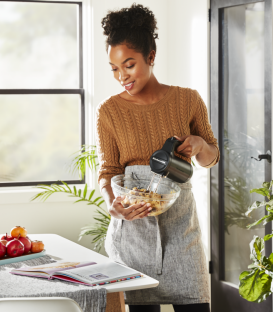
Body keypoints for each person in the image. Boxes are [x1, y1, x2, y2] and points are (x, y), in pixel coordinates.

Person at [96, 4, 219, 312]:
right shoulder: (108, 112)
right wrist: (113, 204)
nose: (122, 76)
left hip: (181, 232)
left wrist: (199, 145)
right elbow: (109, 170)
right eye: (114, 69)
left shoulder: (188, 100)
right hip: (133, 230)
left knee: (196, 305)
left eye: (129, 65)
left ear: (150, 57)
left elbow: (212, 157)